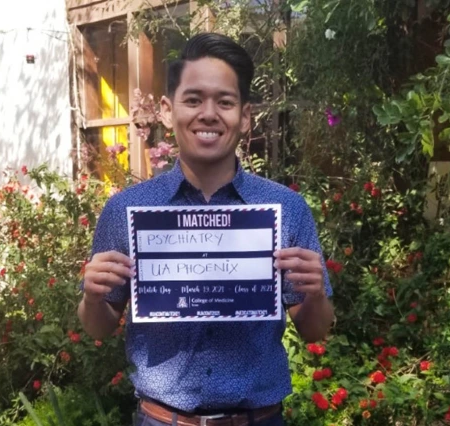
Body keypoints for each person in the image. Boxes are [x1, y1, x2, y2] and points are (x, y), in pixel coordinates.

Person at [78, 32, 334, 426]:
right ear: (167, 110)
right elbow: (98, 326)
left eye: (225, 102)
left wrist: (315, 293)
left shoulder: (286, 210)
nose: (209, 114)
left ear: (245, 116)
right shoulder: (126, 210)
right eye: (193, 100)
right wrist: (94, 297)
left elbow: (314, 331)